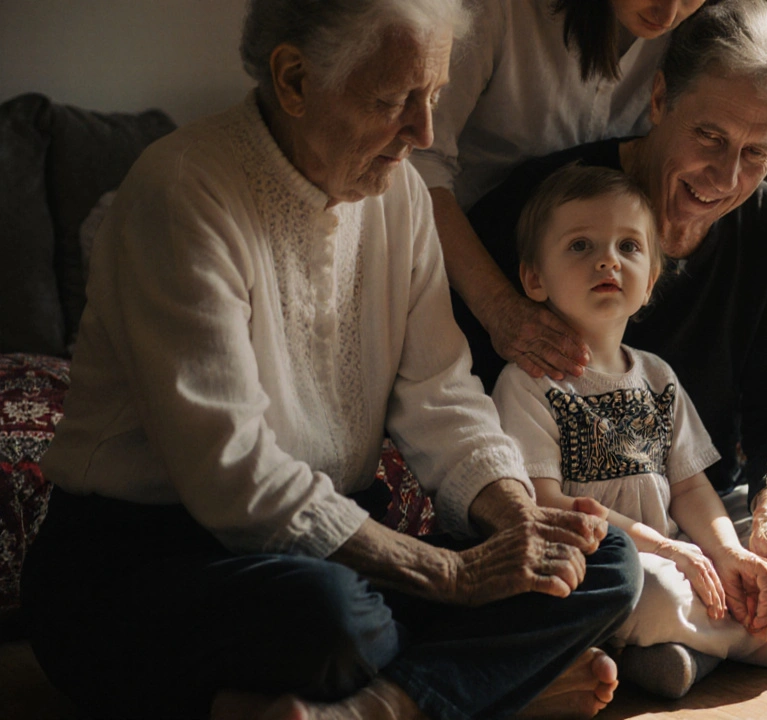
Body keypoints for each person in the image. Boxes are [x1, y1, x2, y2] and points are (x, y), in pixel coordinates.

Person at [20, 1, 642, 719]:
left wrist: (517, 521)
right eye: (394, 99)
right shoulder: (181, 189)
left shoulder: (401, 194)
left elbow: (440, 396)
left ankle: (374, 708)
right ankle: (491, 686)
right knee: (334, 620)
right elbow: (234, 473)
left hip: (328, 546)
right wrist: (452, 575)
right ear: (294, 79)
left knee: (605, 563)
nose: (424, 132)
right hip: (148, 560)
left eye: (434, 96)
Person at [464, 0, 767, 676]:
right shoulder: (560, 206)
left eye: (756, 153)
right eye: (709, 136)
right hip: (599, 533)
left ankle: (697, 644)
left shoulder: (764, 223)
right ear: (659, 99)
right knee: (628, 586)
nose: (725, 177)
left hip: (707, 511)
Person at [492, 164, 767, 699]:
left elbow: (692, 488)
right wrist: (669, 552)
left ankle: (694, 648)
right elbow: (549, 506)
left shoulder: (658, 377)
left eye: (628, 247)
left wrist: (728, 555)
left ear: (650, 281)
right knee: (649, 594)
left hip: (680, 551)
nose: (607, 260)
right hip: (614, 563)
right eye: (580, 245)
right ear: (534, 279)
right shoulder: (526, 383)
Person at [411, 0, 712, 387]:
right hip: (457, 272)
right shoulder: (501, 11)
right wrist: (497, 306)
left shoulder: (692, 37)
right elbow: (420, 162)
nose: (668, 15)